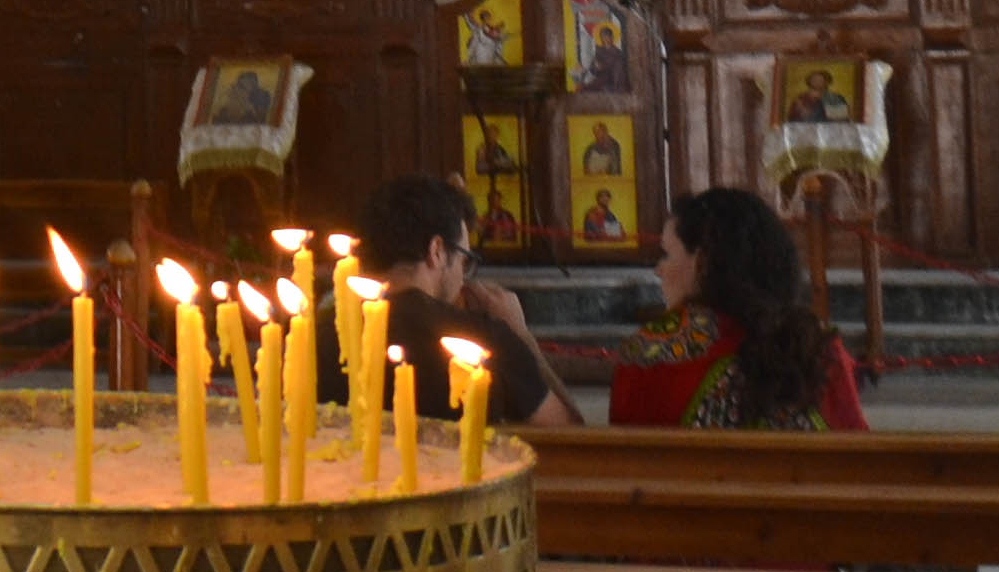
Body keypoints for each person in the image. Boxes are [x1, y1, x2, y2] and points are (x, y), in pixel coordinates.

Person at [609, 186, 866, 430]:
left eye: (667, 254)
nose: (659, 270)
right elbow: (859, 461)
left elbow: (624, 462)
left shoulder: (651, 352)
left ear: (702, 262)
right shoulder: (819, 350)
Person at [363, 174, 578, 426]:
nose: (464, 278)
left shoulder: (319, 331)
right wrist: (520, 335)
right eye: (465, 260)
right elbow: (571, 437)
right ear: (437, 251)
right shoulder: (487, 341)